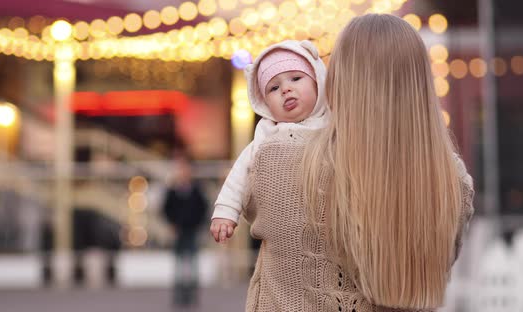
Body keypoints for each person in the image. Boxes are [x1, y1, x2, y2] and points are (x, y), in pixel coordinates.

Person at [238, 14, 475, 312]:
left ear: (336, 78)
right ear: (422, 86)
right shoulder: (451, 180)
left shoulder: (277, 156)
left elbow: (250, 207)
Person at [210, 40, 329, 243]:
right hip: (283, 229)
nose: (286, 89)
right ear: (265, 103)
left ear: (318, 80)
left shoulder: (333, 125)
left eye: (296, 78)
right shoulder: (268, 134)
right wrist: (226, 210)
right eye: (274, 88)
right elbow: (239, 175)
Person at [163, 150, 208, 307]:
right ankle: (179, 297)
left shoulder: (196, 190)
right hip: (179, 231)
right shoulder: (172, 190)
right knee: (179, 267)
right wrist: (172, 224)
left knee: (193, 266)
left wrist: (198, 225)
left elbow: (203, 208)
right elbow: (166, 209)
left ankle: (192, 297)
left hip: (192, 231)